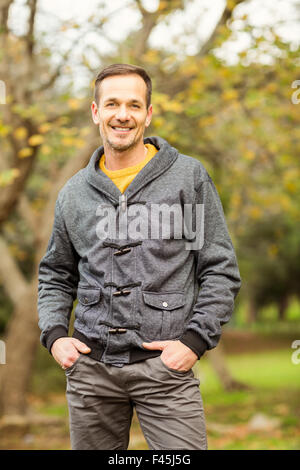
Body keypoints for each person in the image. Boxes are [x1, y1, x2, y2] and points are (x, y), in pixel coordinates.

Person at [38, 63, 241, 450]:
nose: (122, 114)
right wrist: (54, 337)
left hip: (166, 369)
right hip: (89, 371)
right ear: (95, 112)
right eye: (112, 103)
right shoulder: (73, 192)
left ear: (148, 114)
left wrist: (194, 342)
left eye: (134, 105)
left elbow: (219, 270)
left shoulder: (188, 177)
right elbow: (56, 275)